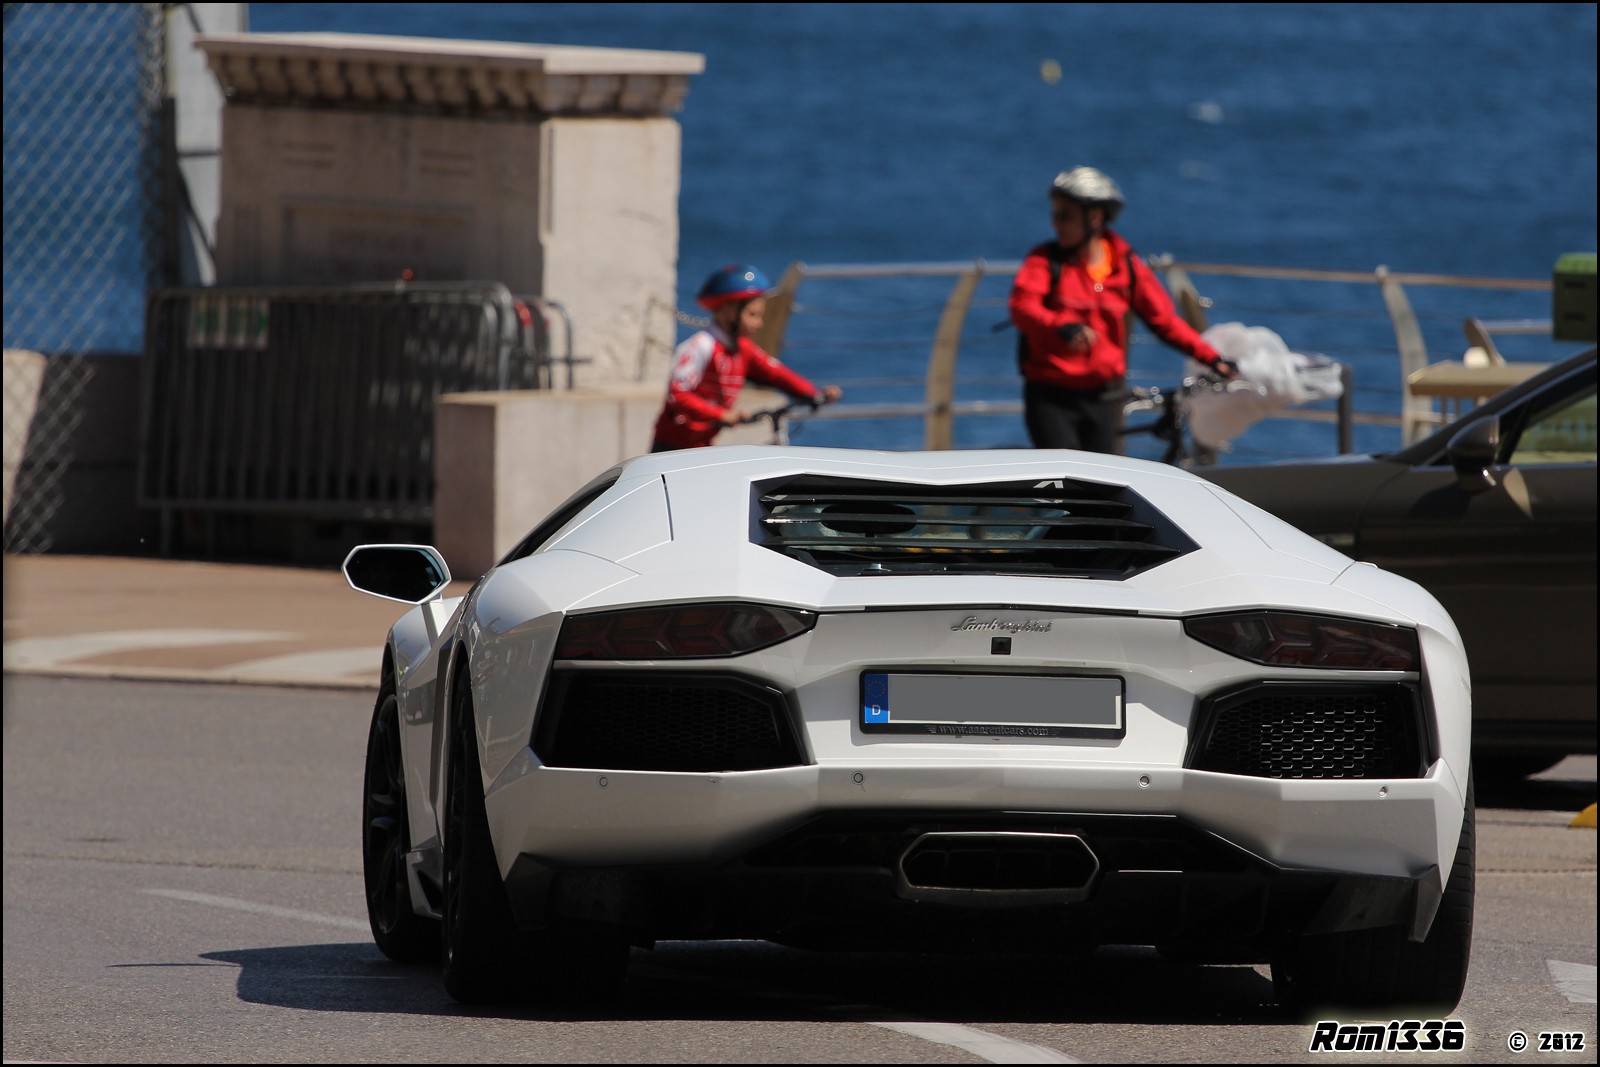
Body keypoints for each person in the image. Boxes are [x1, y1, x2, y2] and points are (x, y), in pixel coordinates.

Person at [1009, 166, 1237, 453]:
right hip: (1051, 398)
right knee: (1063, 482)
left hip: (1104, 398)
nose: (1056, 224)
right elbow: (1022, 307)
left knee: (1103, 483)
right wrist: (1061, 326)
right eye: (1055, 214)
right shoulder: (1045, 261)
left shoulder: (1126, 266)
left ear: (1094, 217)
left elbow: (1164, 322)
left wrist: (1213, 359)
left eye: (1064, 215)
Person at [651, 264, 842, 451]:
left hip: (703, 446)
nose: (758, 324)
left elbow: (775, 373)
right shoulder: (701, 346)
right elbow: (678, 394)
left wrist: (813, 393)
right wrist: (722, 414)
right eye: (752, 315)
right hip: (672, 448)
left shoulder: (742, 349)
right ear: (727, 311)